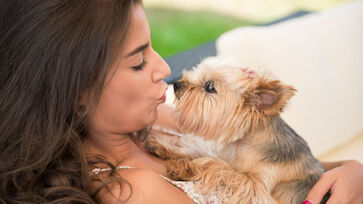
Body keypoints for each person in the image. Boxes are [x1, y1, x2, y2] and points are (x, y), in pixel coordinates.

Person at [0, 0, 362, 203]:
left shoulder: (157, 120)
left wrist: (350, 169)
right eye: (138, 62)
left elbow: (277, 169)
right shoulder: (135, 192)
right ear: (73, 94)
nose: (164, 69)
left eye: (153, 48)